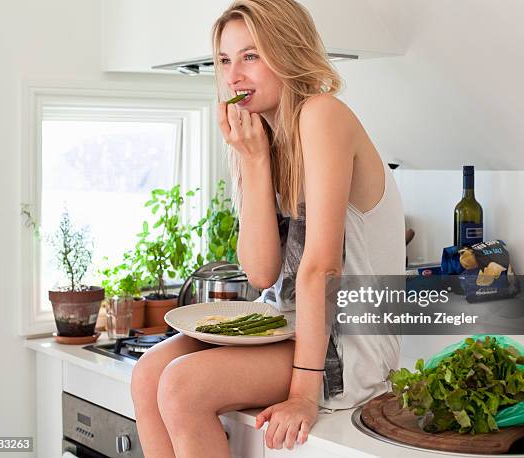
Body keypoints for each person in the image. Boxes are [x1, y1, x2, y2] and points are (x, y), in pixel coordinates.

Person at [130, 0, 405, 456]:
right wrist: (253, 160)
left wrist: (302, 395)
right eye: (224, 60)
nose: (233, 75)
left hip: (347, 343)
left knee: (182, 386)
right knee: (147, 375)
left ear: (288, 52)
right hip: (285, 328)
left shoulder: (322, 115)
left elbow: (321, 267)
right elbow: (260, 274)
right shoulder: (259, 138)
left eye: (251, 56)